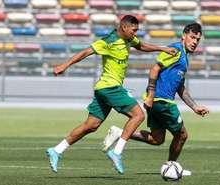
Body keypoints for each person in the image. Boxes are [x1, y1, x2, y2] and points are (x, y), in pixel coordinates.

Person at [46, 15, 177, 174]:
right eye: (134, 30)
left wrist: (162, 48)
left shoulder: (129, 39)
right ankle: (116, 152)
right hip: (110, 87)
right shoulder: (109, 41)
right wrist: (64, 65)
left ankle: (57, 150)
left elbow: (141, 46)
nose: (135, 34)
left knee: (91, 125)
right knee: (138, 115)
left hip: (104, 89)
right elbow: (86, 52)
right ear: (124, 27)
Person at [102, 23, 209, 172]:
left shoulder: (184, 58)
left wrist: (195, 106)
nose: (195, 42)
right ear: (184, 35)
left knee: (156, 139)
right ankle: (171, 167)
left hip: (158, 101)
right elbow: (154, 69)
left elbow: (180, 87)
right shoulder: (176, 50)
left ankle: (120, 132)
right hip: (161, 101)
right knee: (182, 135)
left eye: (198, 39)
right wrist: (151, 95)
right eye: (192, 37)